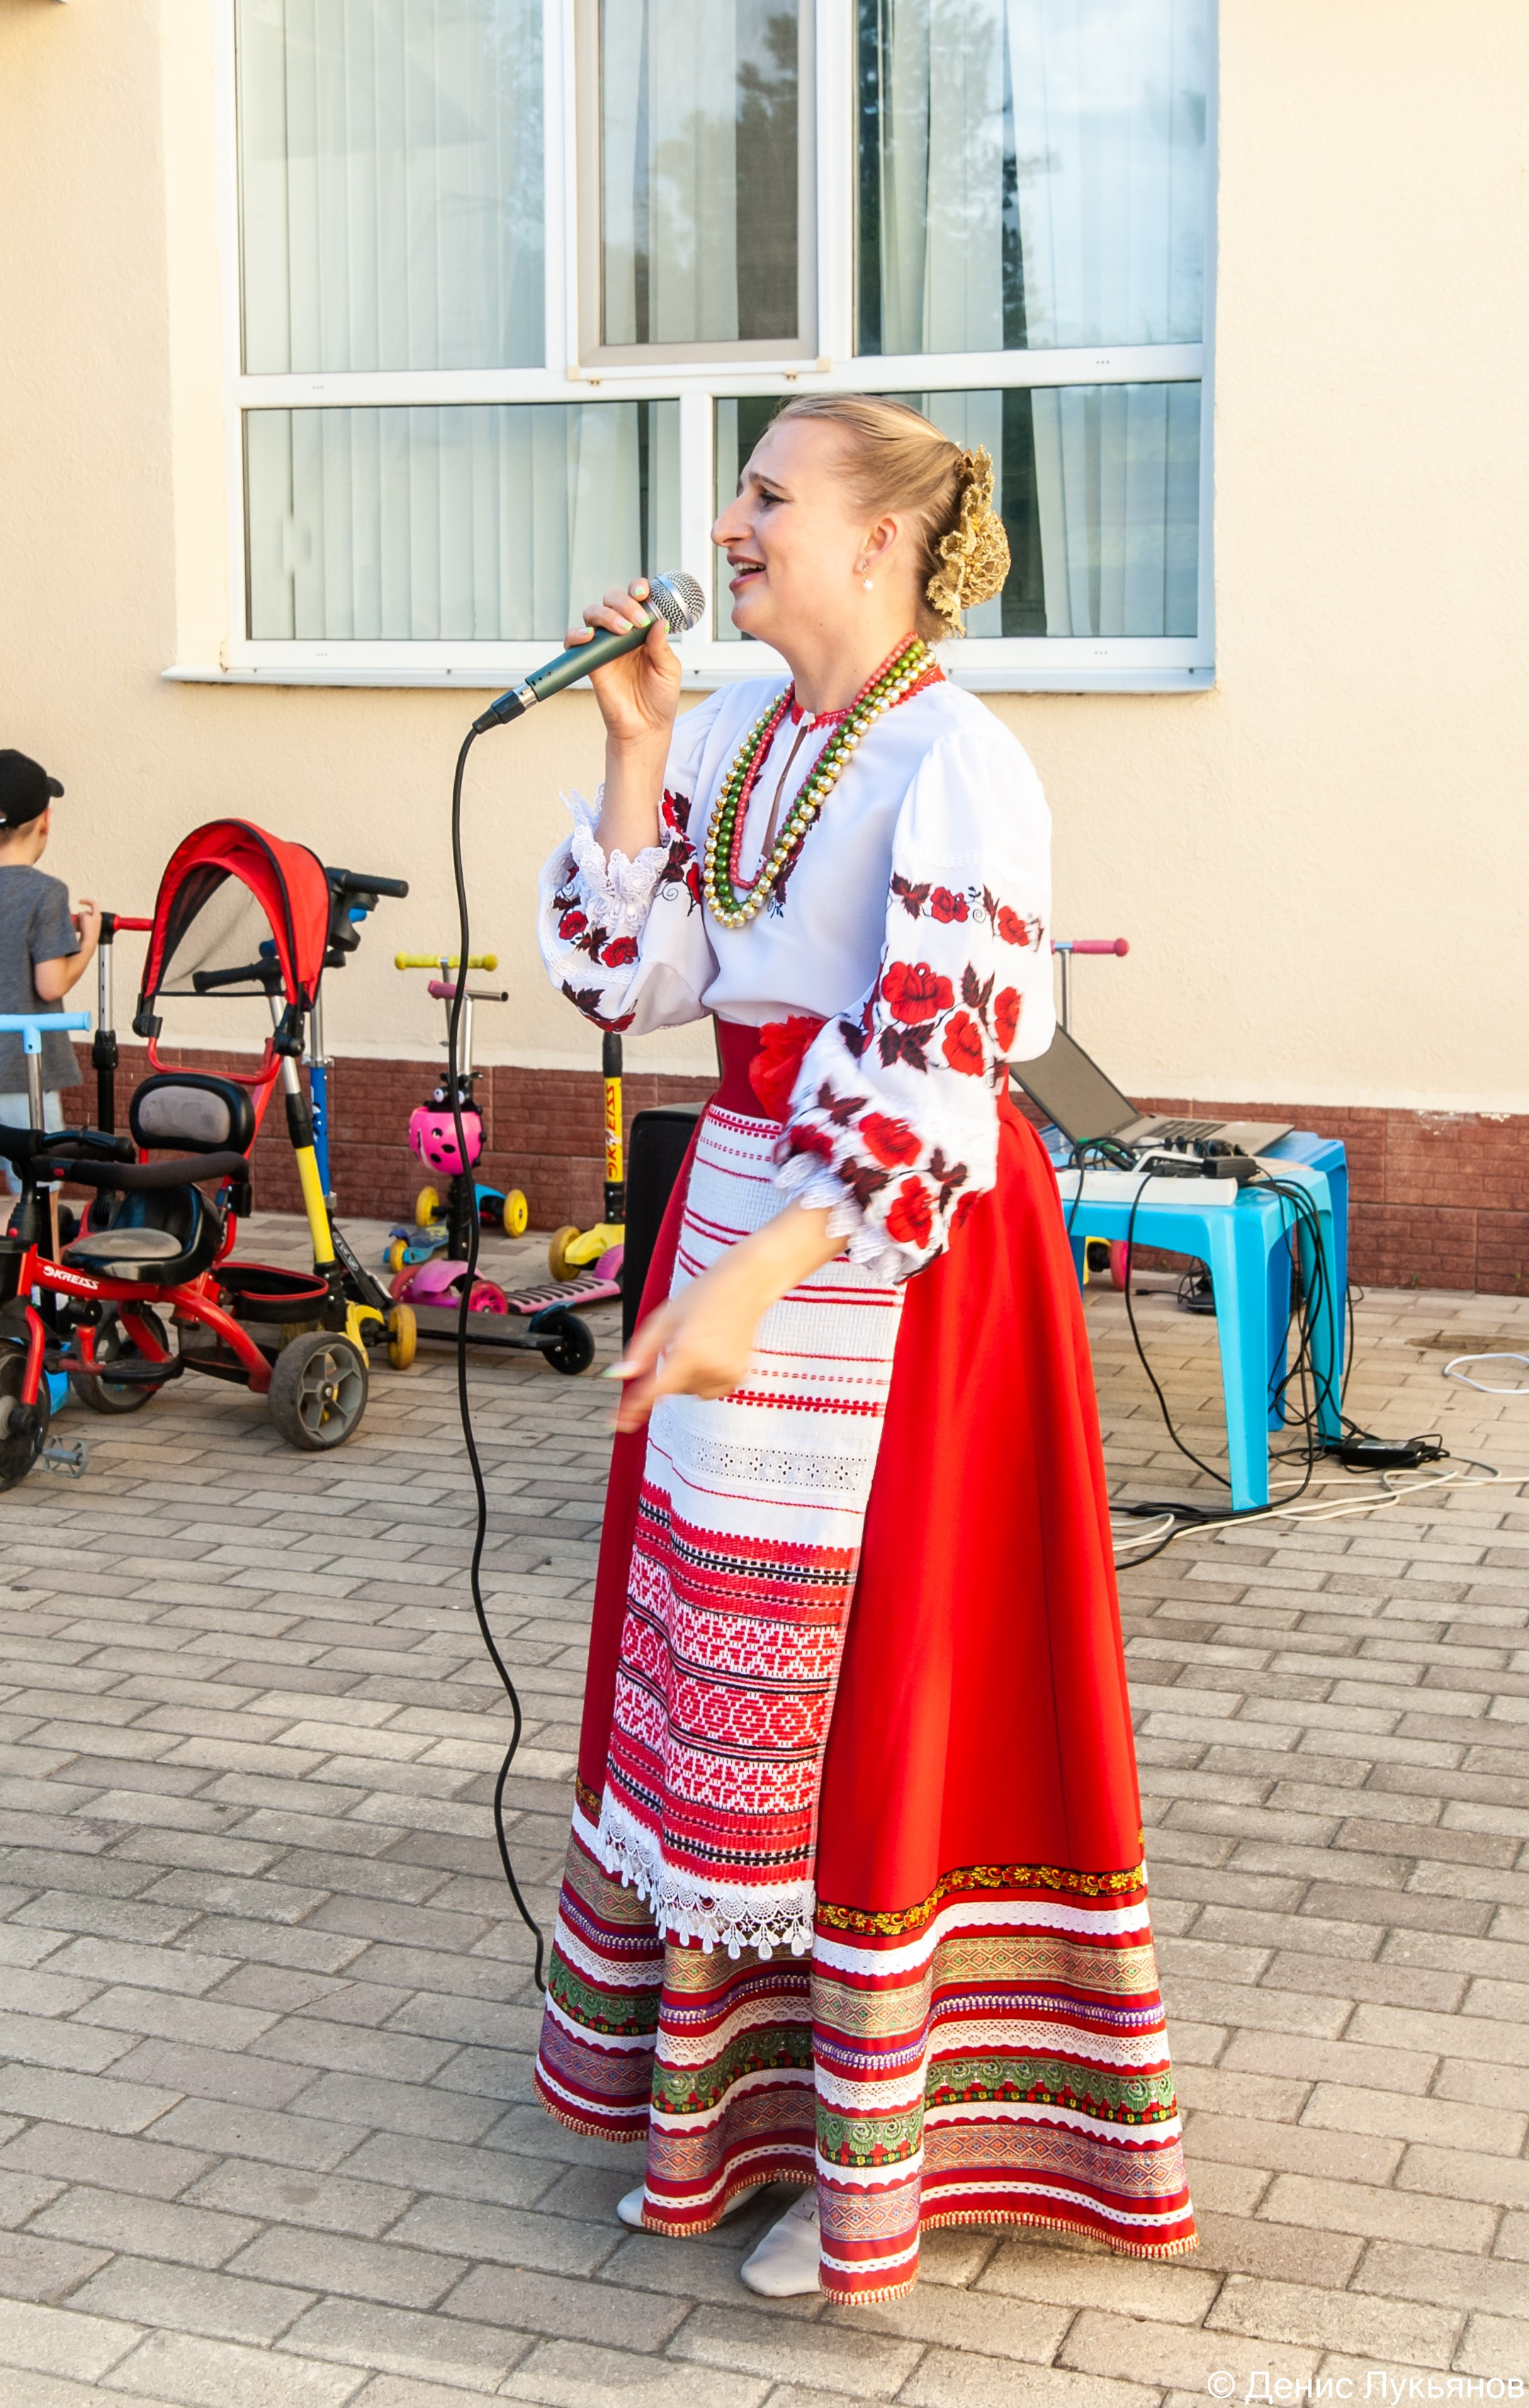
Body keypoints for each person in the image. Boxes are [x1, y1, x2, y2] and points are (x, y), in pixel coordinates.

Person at [531, 395, 1195, 2305]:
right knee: (716, 1666)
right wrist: (633, 741)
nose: (729, 523)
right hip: (744, 1194)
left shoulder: (957, 759)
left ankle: (866, 2160)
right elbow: (628, 978)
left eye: (767, 492)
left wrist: (760, 1279)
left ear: (881, 538)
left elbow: (936, 1070)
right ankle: (727, 2114)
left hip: (894, 1248)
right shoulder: (735, 732)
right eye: (737, 492)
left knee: (873, 1685)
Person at [0, 749, 100, 1200]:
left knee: (29, 1190)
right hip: (19, 1072)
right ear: (46, 821)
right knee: (41, 1192)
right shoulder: (45, 893)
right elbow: (51, 984)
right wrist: (88, 940)